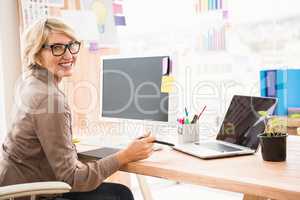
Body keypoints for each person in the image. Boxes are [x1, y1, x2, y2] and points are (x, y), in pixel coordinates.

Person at [0, 18, 155, 200]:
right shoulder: (50, 98)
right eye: (57, 47)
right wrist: (125, 155)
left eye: (72, 45)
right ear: (36, 54)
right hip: (28, 193)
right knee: (120, 194)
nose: (68, 55)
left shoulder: (30, 83)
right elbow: (72, 178)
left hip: (14, 184)